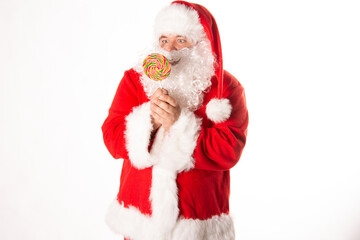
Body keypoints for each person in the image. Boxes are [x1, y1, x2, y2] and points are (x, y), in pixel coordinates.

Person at [101, 1, 249, 239]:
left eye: (181, 40)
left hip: (198, 223)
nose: (169, 49)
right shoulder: (134, 80)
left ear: (201, 45)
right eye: (164, 40)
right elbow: (111, 137)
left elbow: (229, 150)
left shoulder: (226, 89)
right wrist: (151, 120)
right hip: (140, 221)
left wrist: (179, 123)